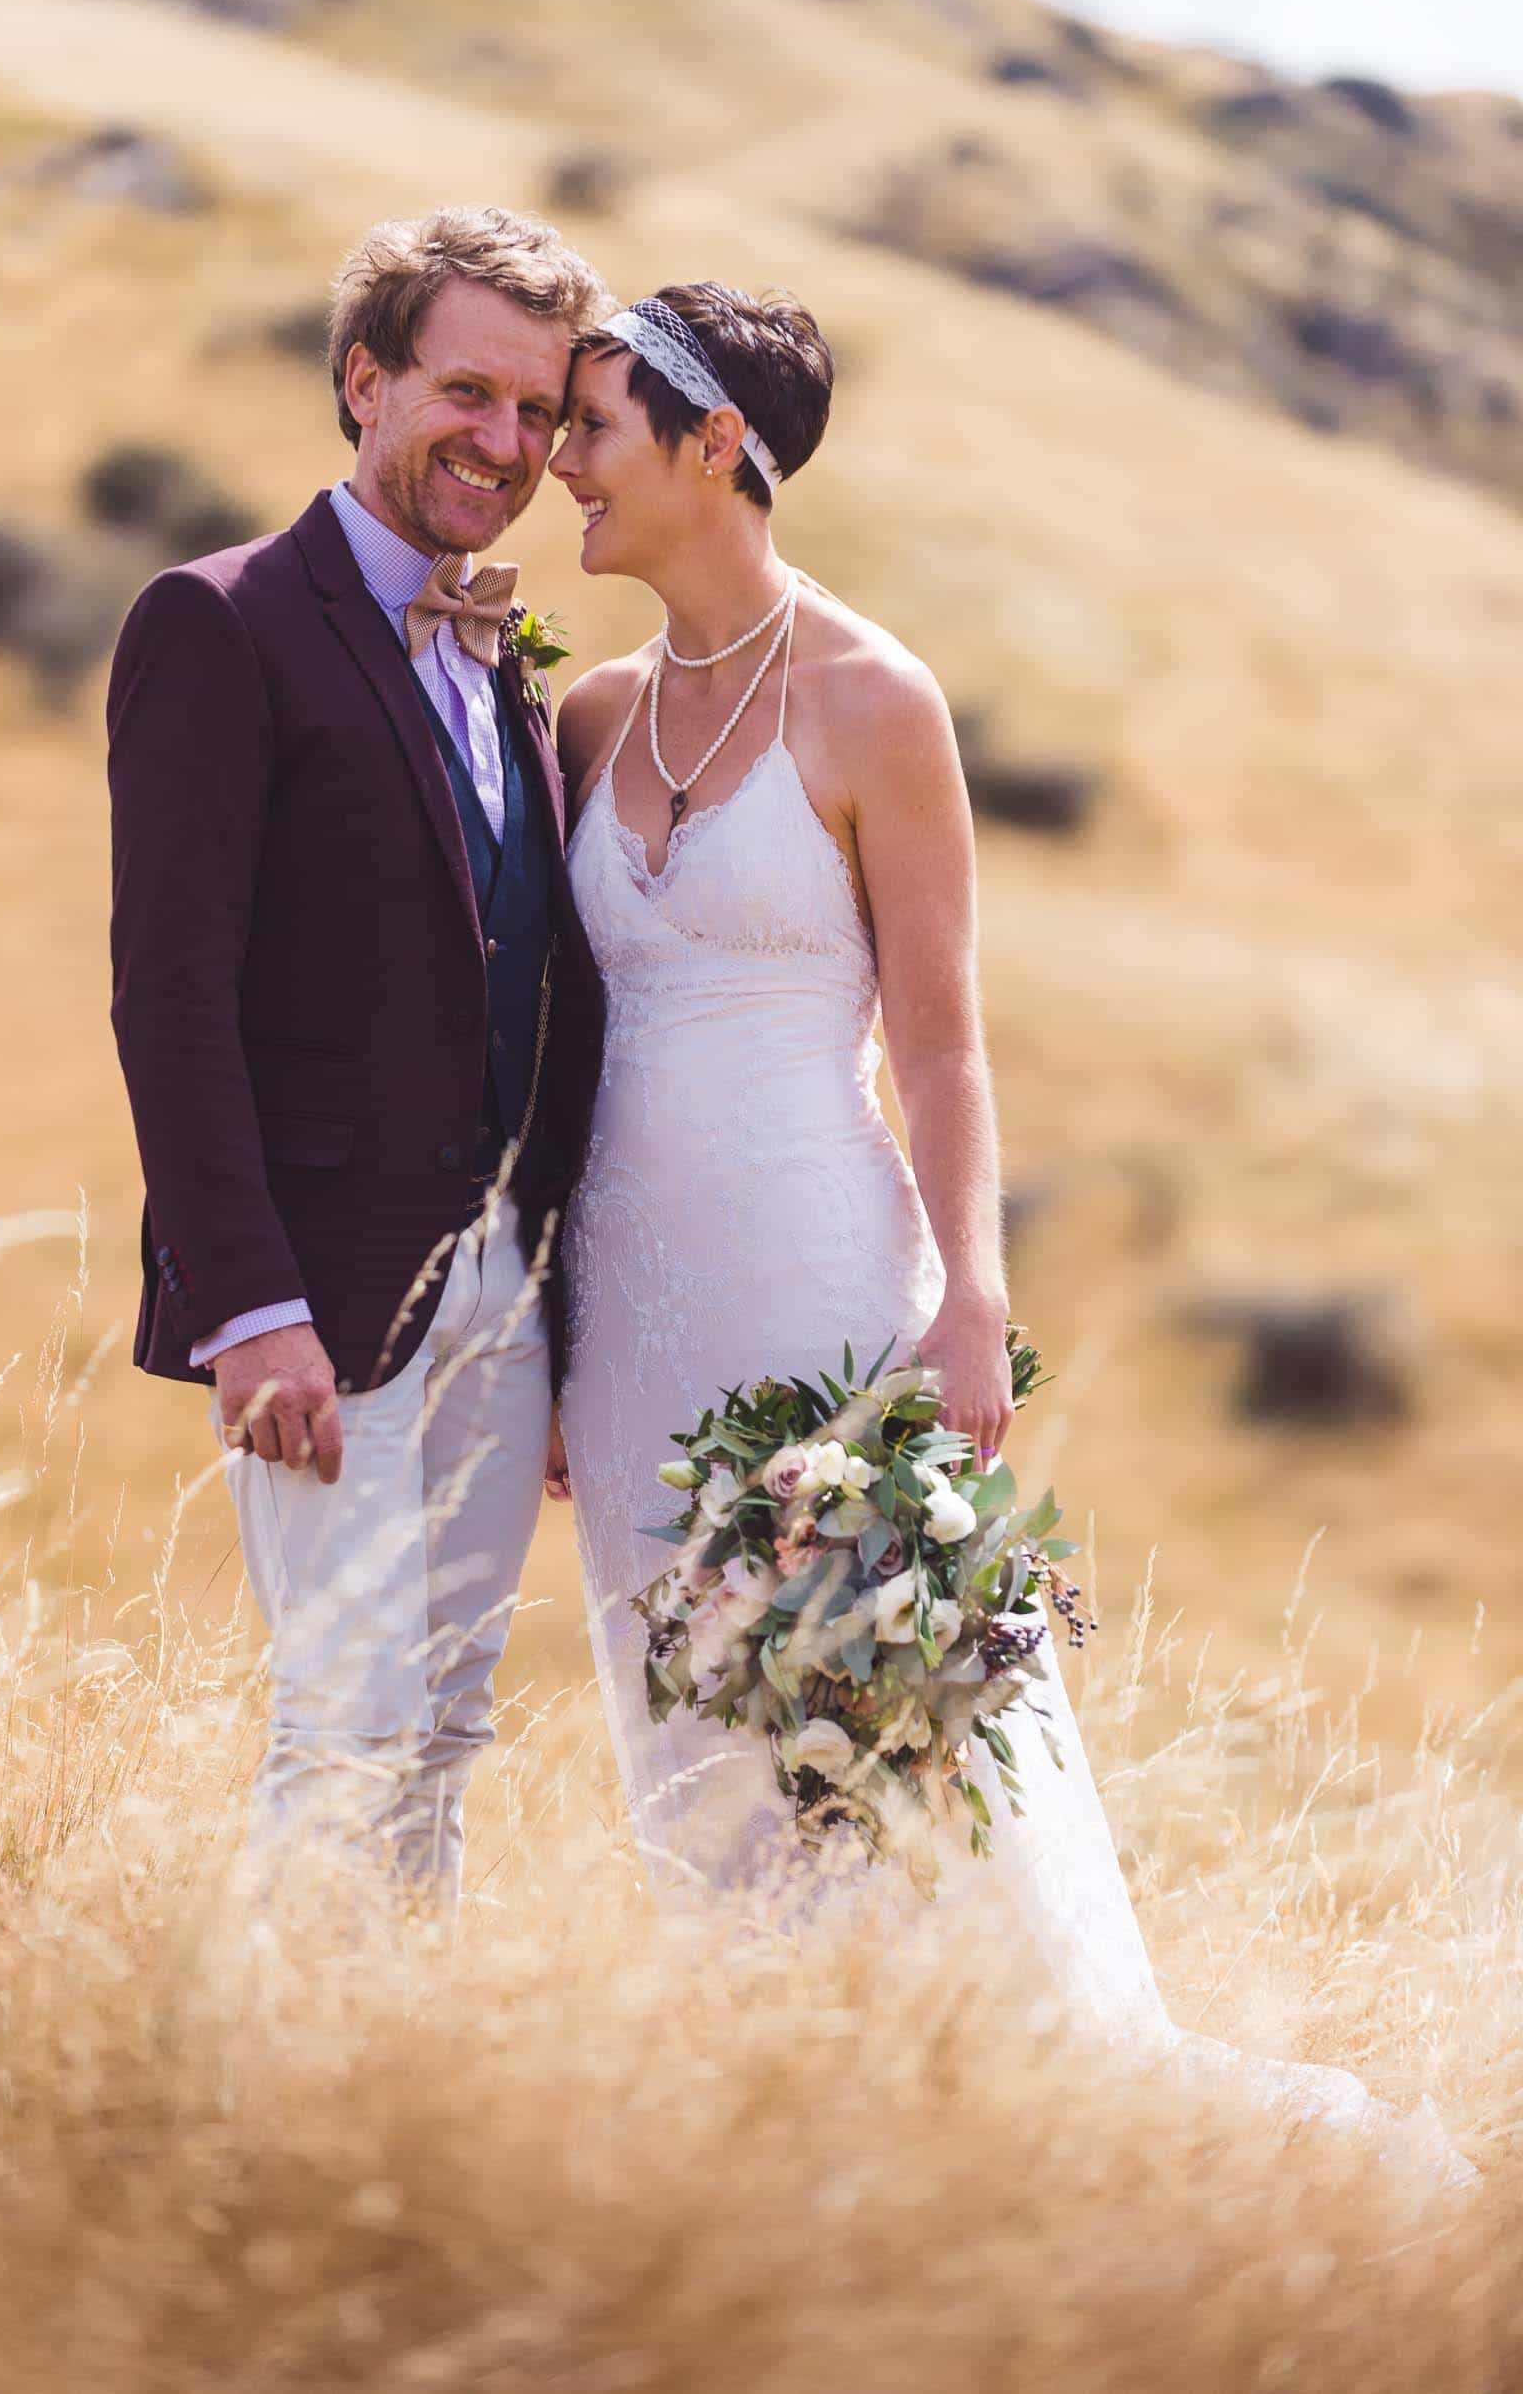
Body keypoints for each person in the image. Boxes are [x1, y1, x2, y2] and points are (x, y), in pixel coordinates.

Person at [543, 286, 1476, 2181]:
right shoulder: (590, 714)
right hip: (630, 1312)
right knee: (696, 1750)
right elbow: (554, 1048)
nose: (561, 460)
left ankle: (1032, 2161)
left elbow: (945, 1037)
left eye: (594, 425)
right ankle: (800, 2166)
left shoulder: (875, 700)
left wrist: (973, 1304)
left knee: (893, 1760)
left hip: (820, 1296)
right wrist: (551, 1323)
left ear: (714, 443)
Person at [106, 206, 608, 1902]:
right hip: (317, 1298)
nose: (508, 444)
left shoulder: (507, 664)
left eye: (539, 413)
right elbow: (167, 993)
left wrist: (554, 1304)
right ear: (365, 380)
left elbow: (528, 993)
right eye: (469, 393)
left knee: (447, 1732)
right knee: (345, 1725)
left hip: (499, 1307)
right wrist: (249, 1308)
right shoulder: (219, 620)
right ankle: (263, 2133)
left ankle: (387, 2098)